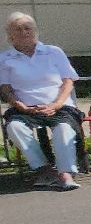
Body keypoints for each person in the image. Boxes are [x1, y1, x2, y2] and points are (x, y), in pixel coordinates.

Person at [1, 12, 83, 190]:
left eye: (27, 28)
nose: (24, 32)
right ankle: (43, 169)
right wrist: (19, 105)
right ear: (10, 35)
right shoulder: (5, 59)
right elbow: (5, 89)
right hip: (25, 108)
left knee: (63, 129)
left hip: (59, 106)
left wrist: (57, 104)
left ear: (35, 31)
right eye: (18, 29)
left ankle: (66, 173)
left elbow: (68, 81)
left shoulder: (53, 52)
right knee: (14, 127)